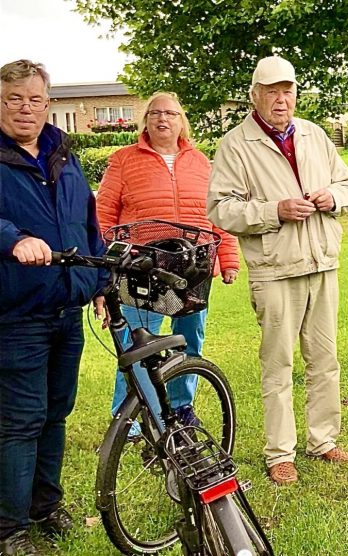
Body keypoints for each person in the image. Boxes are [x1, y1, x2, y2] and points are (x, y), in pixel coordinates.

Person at [208, 55, 348, 486]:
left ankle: (324, 440)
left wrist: (333, 198)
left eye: (288, 90)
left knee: (325, 358)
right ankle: (280, 452)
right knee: (278, 364)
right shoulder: (236, 145)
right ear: (255, 96)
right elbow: (221, 209)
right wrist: (274, 210)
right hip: (274, 269)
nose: (281, 99)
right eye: (272, 91)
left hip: (321, 262)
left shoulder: (313, 134)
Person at [0, 59, 106, 556]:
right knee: (21, 419)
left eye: (35, 99)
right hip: (17, 311)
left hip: (67, 307)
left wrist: (101, 279)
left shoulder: (63, 154)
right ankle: (10, 528)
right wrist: (14, 238)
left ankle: (45, 506)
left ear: (48, 104)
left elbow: (88, 222)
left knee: (56, 414)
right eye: (14, 98)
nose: (26, 108)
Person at [97, 92, 240, 435]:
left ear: (181, 120)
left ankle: (180, 407)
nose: (163, 119)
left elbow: (219, 213)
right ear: (145, 119)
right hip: (140, 267)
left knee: (189, 340)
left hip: (192, 267)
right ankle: (129, 418)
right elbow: (103, 217)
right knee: (137, 343)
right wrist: (104, 269)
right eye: (156, 113)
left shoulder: (201, 162)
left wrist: (229, 258)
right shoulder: (123, 160)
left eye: (171, 113)